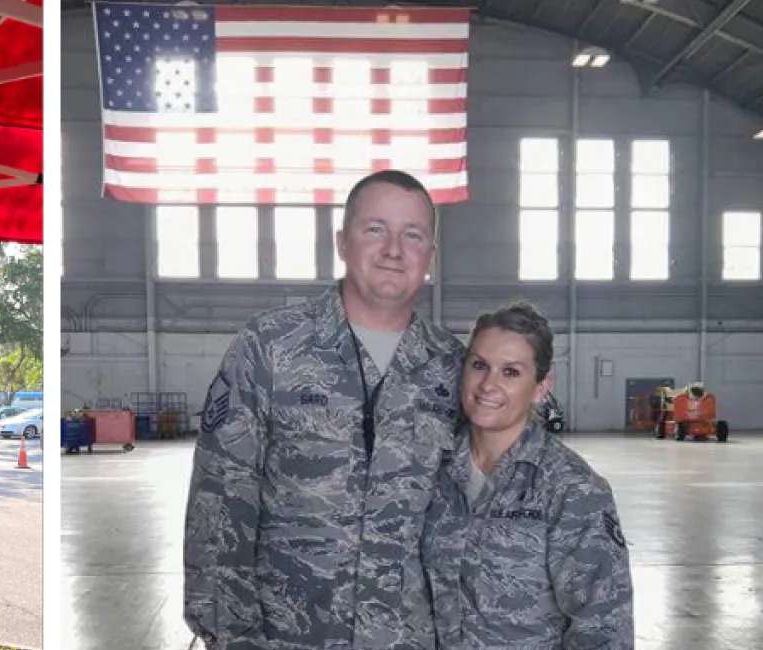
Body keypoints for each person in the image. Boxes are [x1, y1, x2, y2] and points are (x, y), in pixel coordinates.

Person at [184, 170, 466, 650]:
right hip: (287, 636)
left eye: (412, 234)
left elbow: (468, 524)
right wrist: (233, 638)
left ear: (430, 258)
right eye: (375, 229)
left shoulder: (452, 369)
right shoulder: (271, 348)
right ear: (342, 242)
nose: (394, 249)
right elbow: (219, 505)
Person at [421, 302, 633, 649]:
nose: (488, 384)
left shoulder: (571, 489)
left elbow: (603, 628)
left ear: (540, 385)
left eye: (511, 372)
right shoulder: (432, 470)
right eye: (479, 365)